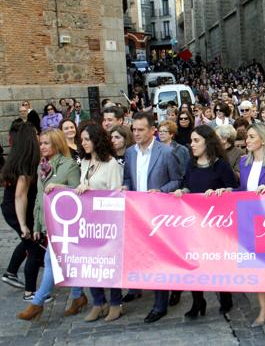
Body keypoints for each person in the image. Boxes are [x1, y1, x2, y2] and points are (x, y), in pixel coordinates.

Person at [215, 122, 265, 328]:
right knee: (256, 266)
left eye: (251, 136)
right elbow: (244, 191)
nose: (246, 140)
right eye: (247, 137)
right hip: (251, 220)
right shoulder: (244, 162)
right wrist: (228, 191)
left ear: (262, 139)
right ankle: (264, 306)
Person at [121, 112, 182, 323]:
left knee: (159, 258)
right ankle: (140, 288)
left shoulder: (165, 152)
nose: (136, 133)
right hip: (137, 213)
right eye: (134, 129)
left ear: (152, 130)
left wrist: (161, 191)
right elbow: (128, 177)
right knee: (142, 256)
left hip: (159, 214)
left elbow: (177, 180)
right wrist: (126, 187)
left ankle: (160, 304)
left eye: (140, 130)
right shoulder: (130, 153)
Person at [173, 125, 238, 320]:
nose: (191, 145)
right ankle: (197, 301)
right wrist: (182, 191)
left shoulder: (221, 165)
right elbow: (186, 184)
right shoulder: (191, 164)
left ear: (207, 142)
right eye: (191, 141)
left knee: (218, 263)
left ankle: (226, 297)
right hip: (193, 223)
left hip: (217, 226)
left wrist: (222, 192)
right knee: (194, 263)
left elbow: (234, 190)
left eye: (196, 141)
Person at [17, 128, 82, 321]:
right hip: (48, 223)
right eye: (41, 143)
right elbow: (39, 197)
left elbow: (78, 193)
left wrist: (62, 187)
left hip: (65, 224)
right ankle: (78, 296)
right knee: (65, 262)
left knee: (51, 262)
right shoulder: (42, 166)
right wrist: (36, 226)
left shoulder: (69, 165)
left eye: (46, 143)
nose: (42, 147)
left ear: (56, 143)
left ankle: (37, 302)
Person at [74, 124, 124, 322]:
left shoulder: (111, 164)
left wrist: (92, 192)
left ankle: (115, 302)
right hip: (87, 221)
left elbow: (115, 193)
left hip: (106, 221)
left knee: (109, 263)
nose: (84, 143)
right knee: (91, 263)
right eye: (82, 140)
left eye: (87, 139)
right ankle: (98, 301)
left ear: (97, 140)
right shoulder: (85, 162)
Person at [1, 123, 44, 298]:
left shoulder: (18, 156)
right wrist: (24, 225)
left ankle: (11, 272)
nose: (38, 136)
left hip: (12, 208)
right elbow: (20, 195)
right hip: (17, 210)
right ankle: (30, 292)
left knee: (31, 244)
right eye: (36, 134)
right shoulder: (27, 160)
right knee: (34, 249)